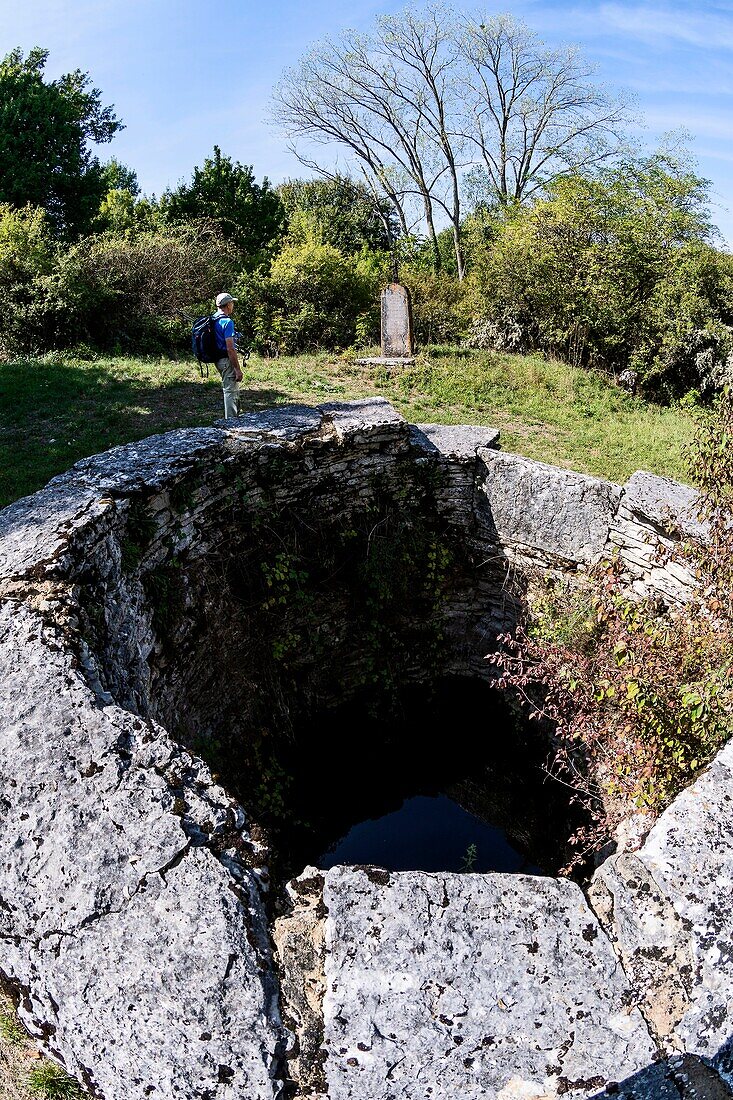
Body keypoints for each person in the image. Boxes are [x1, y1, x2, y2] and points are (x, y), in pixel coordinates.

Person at [212, 292, 243, 419]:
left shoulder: (213, 319)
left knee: (231, 389)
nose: (233, 305)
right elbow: (230, 348)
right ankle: (231, 423)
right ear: (228, 305)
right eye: (232, 302)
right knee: (230, 391)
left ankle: (235, 417)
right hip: (226, 360)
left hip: (217, 359)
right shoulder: (227, 322)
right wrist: (237, 369)